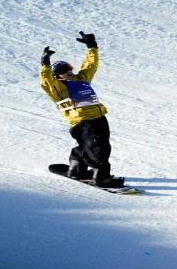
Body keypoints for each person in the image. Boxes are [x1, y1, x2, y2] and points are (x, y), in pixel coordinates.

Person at [39, 31, 124, 187]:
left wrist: (92, 46)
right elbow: (46, 82)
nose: (70, 72)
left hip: (99, 117)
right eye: (65, 71)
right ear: (57, 76)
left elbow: (90, 65)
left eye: (70, 69)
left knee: (93, 146)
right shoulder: (58, 88)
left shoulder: (81, 79)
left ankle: (77, 167)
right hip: (83, 122)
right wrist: (45, 64)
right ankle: (102, 177)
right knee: (99, 149)